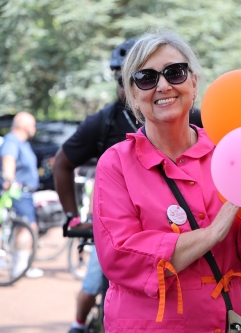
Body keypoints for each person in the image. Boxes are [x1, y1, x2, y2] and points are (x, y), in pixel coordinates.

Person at [92, 29, 241, 332]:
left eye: (175, 72)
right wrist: (211, 234)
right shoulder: (116, 163)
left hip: (232, 321)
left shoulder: (230, 152)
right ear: (134, 96)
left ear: (193, 83)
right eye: (146, 78)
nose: (163, 85)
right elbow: (121, 256)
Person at [53, 37, 139, 333]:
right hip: (115, 229)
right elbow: (62, 164)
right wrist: (71, 217)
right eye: (122, 79)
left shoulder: (187, 117)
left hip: (171, 228)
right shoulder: (103, 121)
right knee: (94, 285)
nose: (127, 85)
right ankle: (78, 325)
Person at [1, 111, 44, 279]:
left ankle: (21, 267)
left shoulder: (22, 143)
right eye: (33, 124)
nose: (34, 128)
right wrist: (9, 181)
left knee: (25, 229)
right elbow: (8, 161)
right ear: (25, 126)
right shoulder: (12, 141)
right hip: (17, 193)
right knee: (28, 228)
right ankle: (20, 268)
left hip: (25, 194)